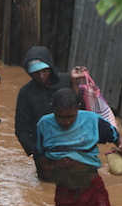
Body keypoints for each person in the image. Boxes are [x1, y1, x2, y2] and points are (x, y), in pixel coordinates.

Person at [35, 88, 122, 206]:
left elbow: (117, 136)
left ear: (78, 108)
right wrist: (56, 164)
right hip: (65, 191)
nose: (66, 121)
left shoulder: (92, 121)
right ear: (52, 109)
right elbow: (40, 158)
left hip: (93, 189)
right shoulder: (44, 125)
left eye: (70, 116)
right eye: (60, 116)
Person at [14, 46, 87, 177]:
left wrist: (74, 83)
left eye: (45, 71)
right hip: (45, 150)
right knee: (48, 182)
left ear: (51, 67)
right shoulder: (26, 93)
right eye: (35, 73)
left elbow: (82, 111)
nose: (41, 76)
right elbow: (21, 129)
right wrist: (37, 153)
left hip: (72, 144)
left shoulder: (68, 80)